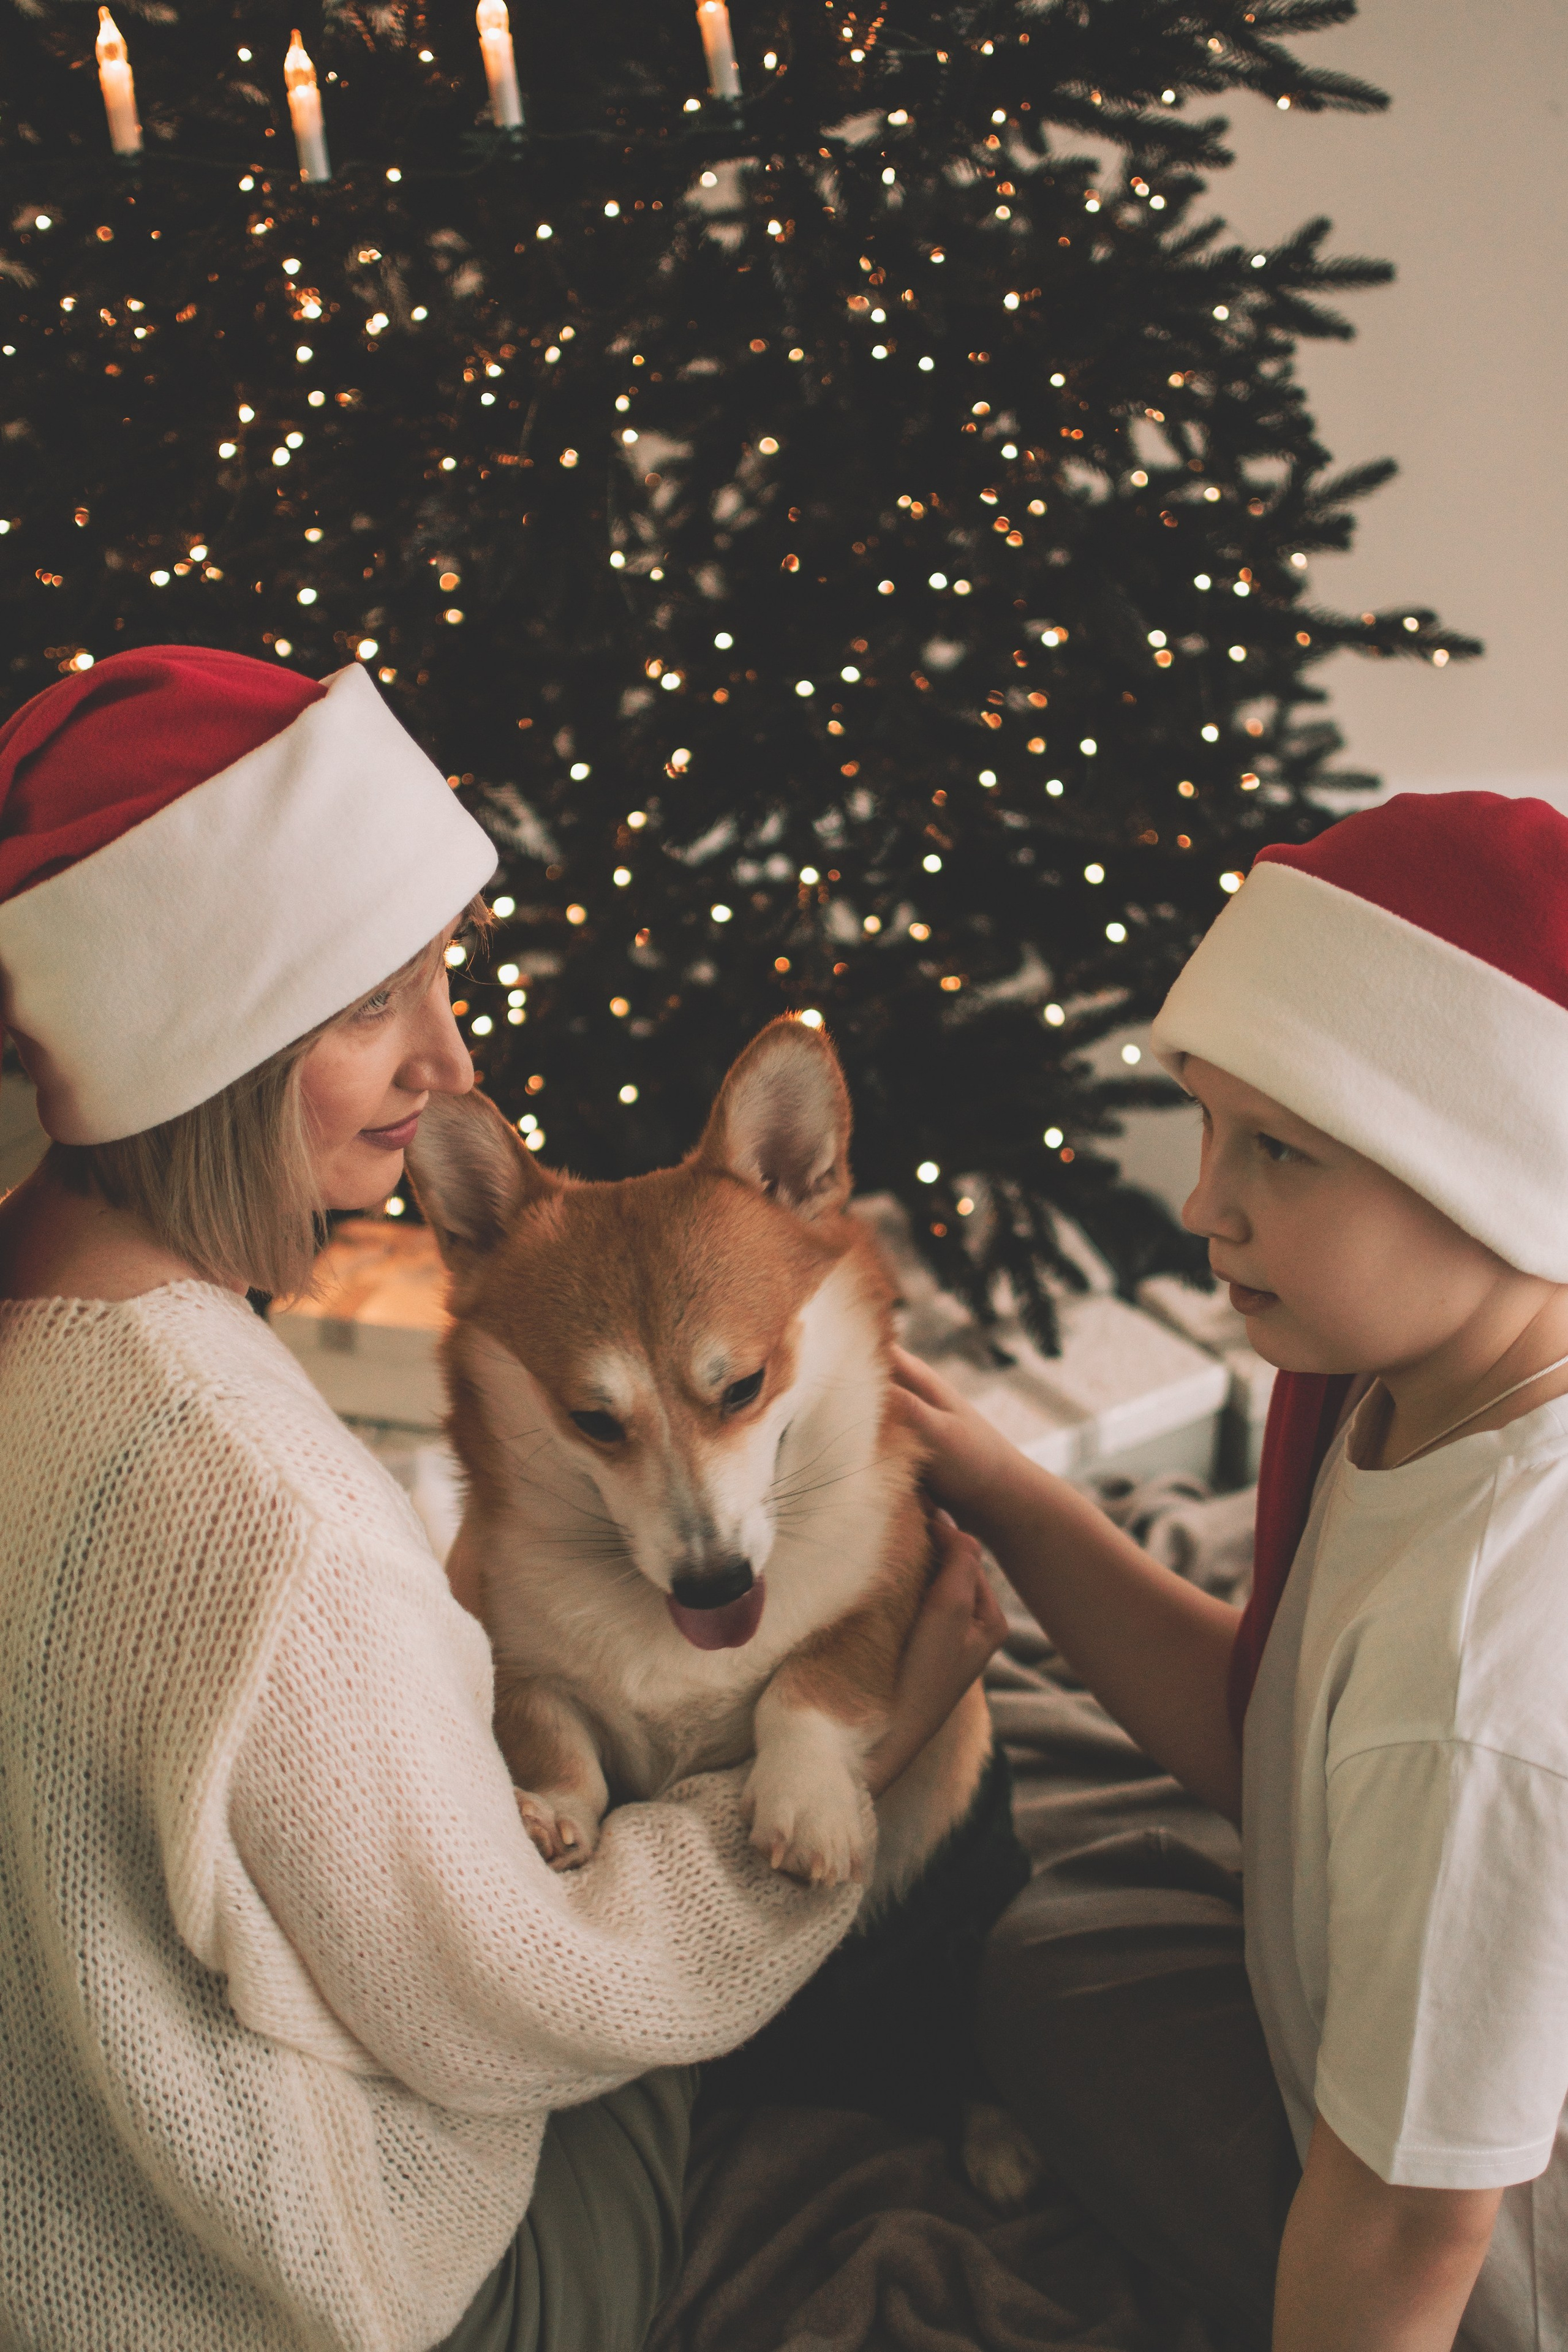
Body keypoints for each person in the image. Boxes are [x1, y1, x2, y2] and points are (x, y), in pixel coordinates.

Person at [0, 646, 1006, 2352]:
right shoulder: (264, 1512)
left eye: (441, 984)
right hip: (332, 2289)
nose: (447, 1065)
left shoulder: (52, 1335)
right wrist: (891, 1738)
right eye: (369, 1005)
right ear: (206, 1029)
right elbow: (528, 2009)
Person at [897, 792, 1568, 2352]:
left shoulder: (1478, 1672)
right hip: (1377, 2030)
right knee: (1062, 1957)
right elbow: (1273, 1742)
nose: (1202, 1204)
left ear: (1494, 1171)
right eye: (1208, 1123)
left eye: (1278, 1149)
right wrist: (1002, 1488)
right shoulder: (1409, 1381)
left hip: (1483, 2262)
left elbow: (1413, 2219)